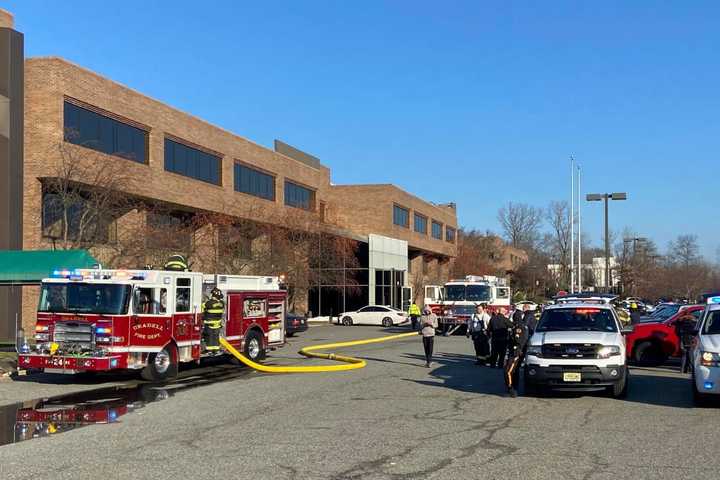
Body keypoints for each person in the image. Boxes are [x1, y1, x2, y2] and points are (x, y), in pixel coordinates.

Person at [505, 311, 530, 398]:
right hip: (516, 351)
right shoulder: (520, 326)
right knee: (515, 371)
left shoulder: (519, 327)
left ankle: (511, 388)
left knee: (508, 371)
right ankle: (514, 387)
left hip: (516, 352)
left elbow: (518, 341)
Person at [202, 288, 225, 352]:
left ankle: (209, 350)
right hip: (217, 324)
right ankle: (216, 349)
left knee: (209, 337)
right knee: (216, 337)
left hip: (209, 324)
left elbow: (202, 307)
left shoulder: (208, 303)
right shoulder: (222, 303)